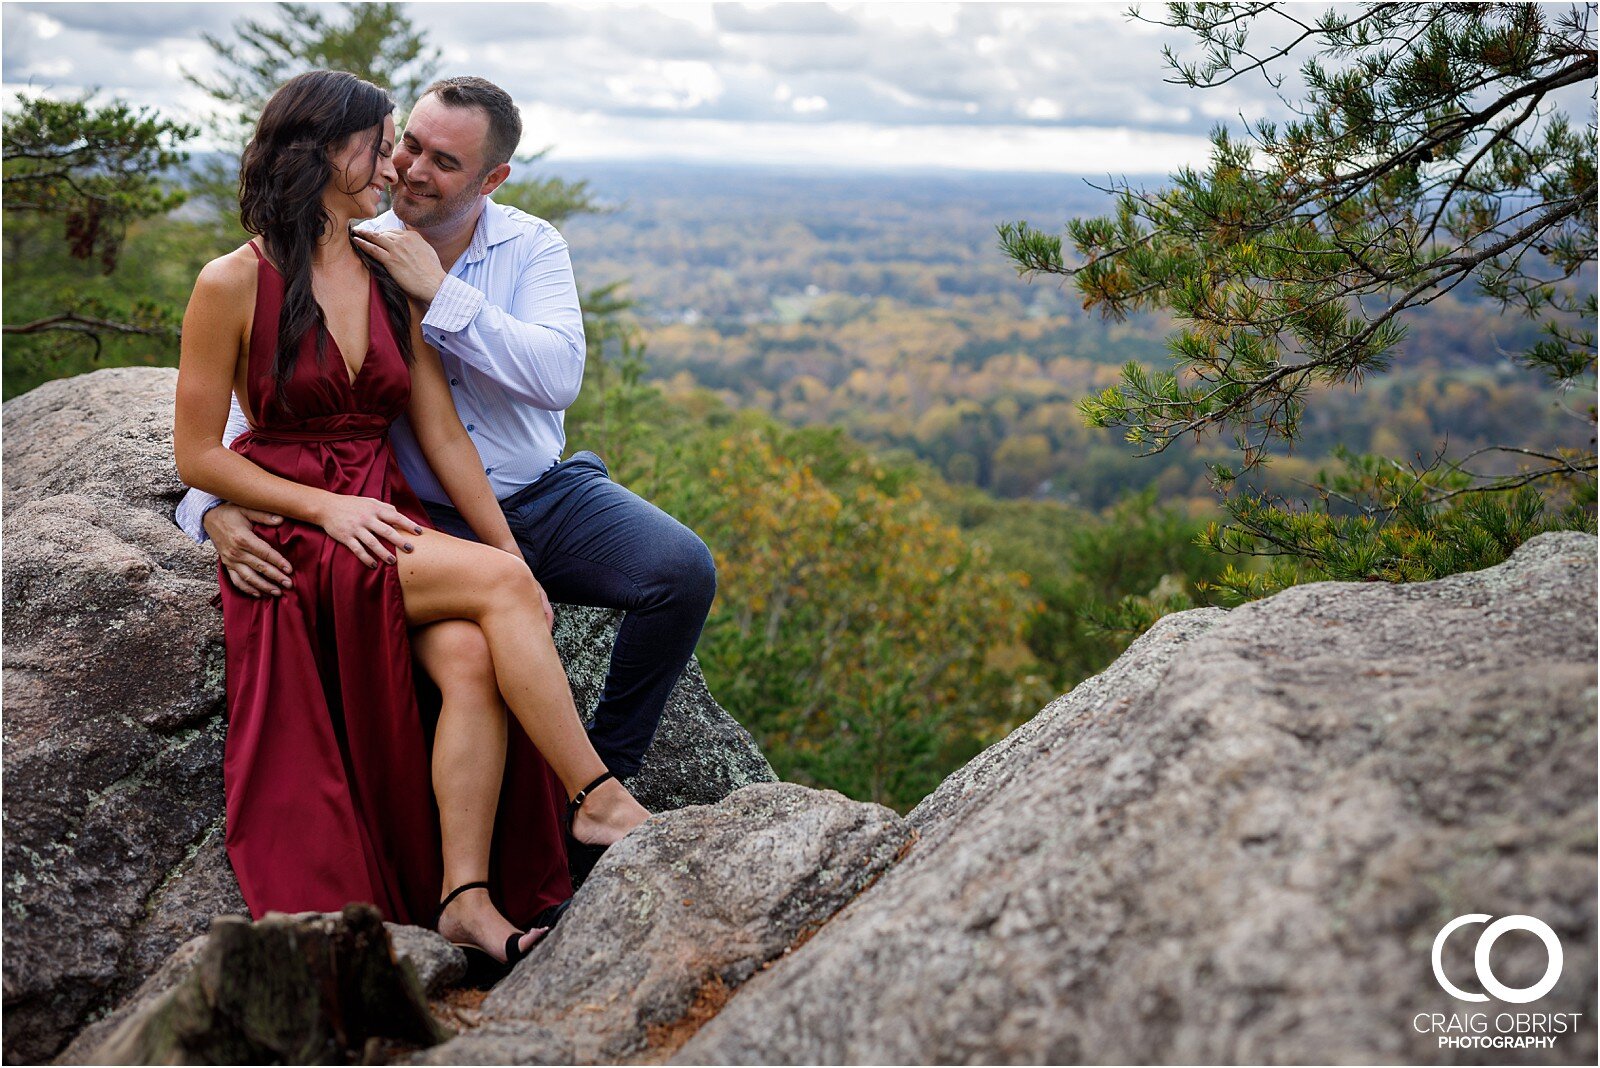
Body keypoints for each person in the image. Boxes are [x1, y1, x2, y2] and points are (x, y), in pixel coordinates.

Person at [177, 77, 716, 888]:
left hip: (524, 492)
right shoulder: (276, 268)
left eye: (442, 160)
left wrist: (443, 293)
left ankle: (559, 819)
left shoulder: (496, 252)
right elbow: (229, 431)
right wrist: (217, 510)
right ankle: (583, 807)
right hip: (385, 511)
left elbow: (531, 389)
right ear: (335, 153)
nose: (408, 169)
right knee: (483, 624)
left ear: (490, 179)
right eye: (401, 145)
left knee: (672, 575)